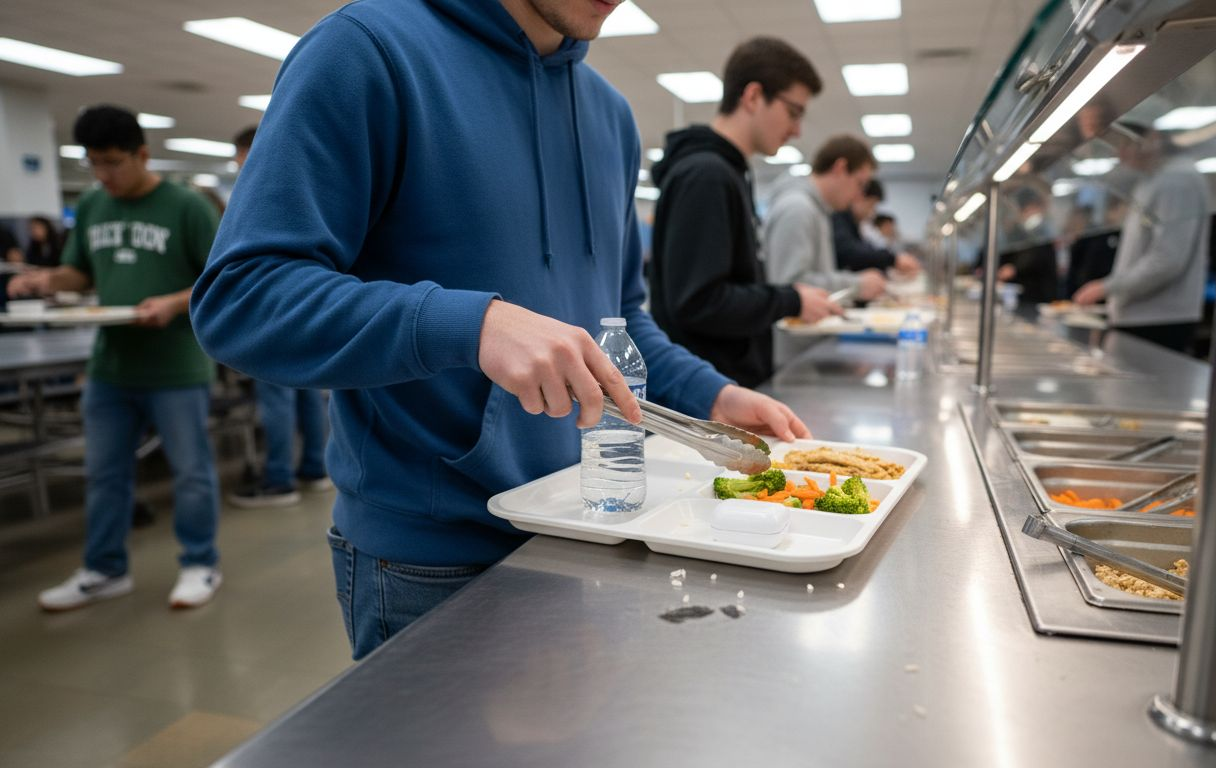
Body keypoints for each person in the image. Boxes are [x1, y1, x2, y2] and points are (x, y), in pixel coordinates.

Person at [190, 0, 810, 660]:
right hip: (431, 562)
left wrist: (711, 397)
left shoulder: (610, 114)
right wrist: (472, 324)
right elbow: (242, 297)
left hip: (585, 527)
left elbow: (618, 318)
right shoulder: (367, 50)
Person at [8, 105, 223, 611]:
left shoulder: (187, 207)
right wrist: (44, 281)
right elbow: (79, 272)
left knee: (190, 471)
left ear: (141, 154)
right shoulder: (91, 206)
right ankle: (104, 568)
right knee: (104, 472)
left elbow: (222, 281)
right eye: (93, 164)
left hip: (176, 366)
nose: (102, 175)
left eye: (111, 162)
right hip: (110, 366)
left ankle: (200, 562)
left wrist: (172, 303)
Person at [647, 36, 841, 389]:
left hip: (724, 385)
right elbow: (698, 302)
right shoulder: (707, 175)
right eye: (793, 112)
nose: (797, 130)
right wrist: (789, 300)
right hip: (705, 392)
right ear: (753, 97)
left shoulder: (730, 172)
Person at [224, 125, 332, 508]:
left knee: (278, 398)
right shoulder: (309, 186)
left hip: (276, 311)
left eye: (242, 158)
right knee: (306, 392)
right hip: (308, 304)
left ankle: (279, 478)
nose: (241, 167)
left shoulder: (266, 192)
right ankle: (315, 468)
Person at [1073, 123, 1210, 353]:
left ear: (1152, 139)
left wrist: (1107, 287)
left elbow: (1168, 259)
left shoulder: (1176, 180)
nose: (1120, 154)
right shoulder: (1152, 180)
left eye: (1125, 144)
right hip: (1140, 315)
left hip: (1158, 319)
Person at [764, 135, 886, 365]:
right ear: (840, 168)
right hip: (793, 356)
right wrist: (857, 285)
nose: (859, 195)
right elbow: (789, 285)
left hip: (809, 348)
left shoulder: (818, 211)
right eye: (860, 183)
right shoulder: (798, 209)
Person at [831, 179, 920, 274]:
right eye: (871, 205)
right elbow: (850, 252)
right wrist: (892, 260)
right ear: (860, 196)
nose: (872, 212)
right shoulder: (838, 218)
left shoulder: (853, 224)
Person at [996, 188, 1058, 305]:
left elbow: (1039, 256)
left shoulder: (1044, 229)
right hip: (1022, 293)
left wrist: (1015, 268)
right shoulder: (1018, 231)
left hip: (1040, 293)